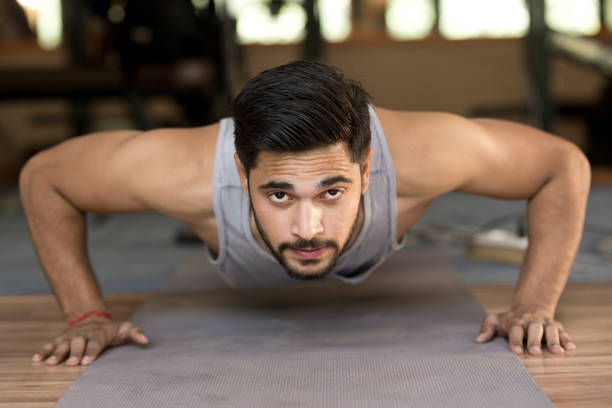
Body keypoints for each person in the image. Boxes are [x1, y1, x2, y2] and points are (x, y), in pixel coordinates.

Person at [19, 61, 590, 367]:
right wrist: (85, 315)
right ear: (243, 178)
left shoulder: (426, 153)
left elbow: (560, 164)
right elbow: (45, 177)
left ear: (368, 173)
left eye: (333, 192)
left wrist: (533, 305)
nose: (308, 229)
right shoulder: (182, 171)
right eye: (280, 195)